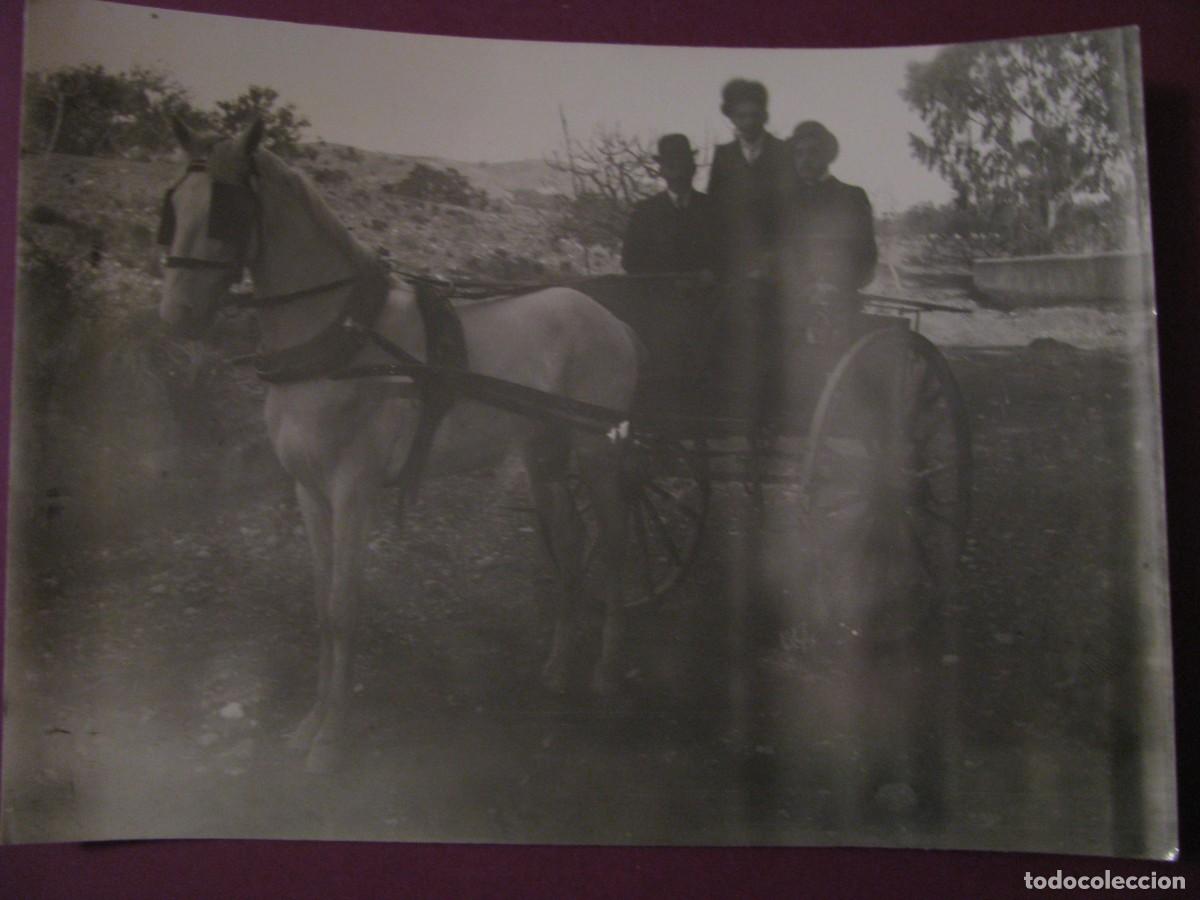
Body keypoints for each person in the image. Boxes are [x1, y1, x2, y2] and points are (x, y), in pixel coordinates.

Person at [704, 79, 795, 423]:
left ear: (764, 116)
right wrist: (720, 262)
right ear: (732, 118)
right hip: (733, 261)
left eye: (754, 115)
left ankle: (773, 406)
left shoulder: (782, 152)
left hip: (775, 260)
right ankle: (730, 400)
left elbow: (790, 211)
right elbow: (714, 211)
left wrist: (772, 256)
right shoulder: (725, 156)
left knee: (771, 326)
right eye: (741, 115)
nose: (748, 122)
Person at [779, 120, 878, 335]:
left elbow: (867, 258)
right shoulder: (789, 202)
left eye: (813, 152)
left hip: (840, 304)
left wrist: (835, 286)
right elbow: (785, 255)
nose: (805, 160)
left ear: (826, 156)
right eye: (799, 153)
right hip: (794, 305)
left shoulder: (851, 197)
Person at [621, 134, 717, 275]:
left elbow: (727, 254)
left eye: (682, 163)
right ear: (662, 171)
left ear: (693, 168)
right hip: (661, 293)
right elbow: (630, 261)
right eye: (671, 165)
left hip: (705, 293)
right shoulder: (645, 212)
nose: (677, 171)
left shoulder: (713, 208)